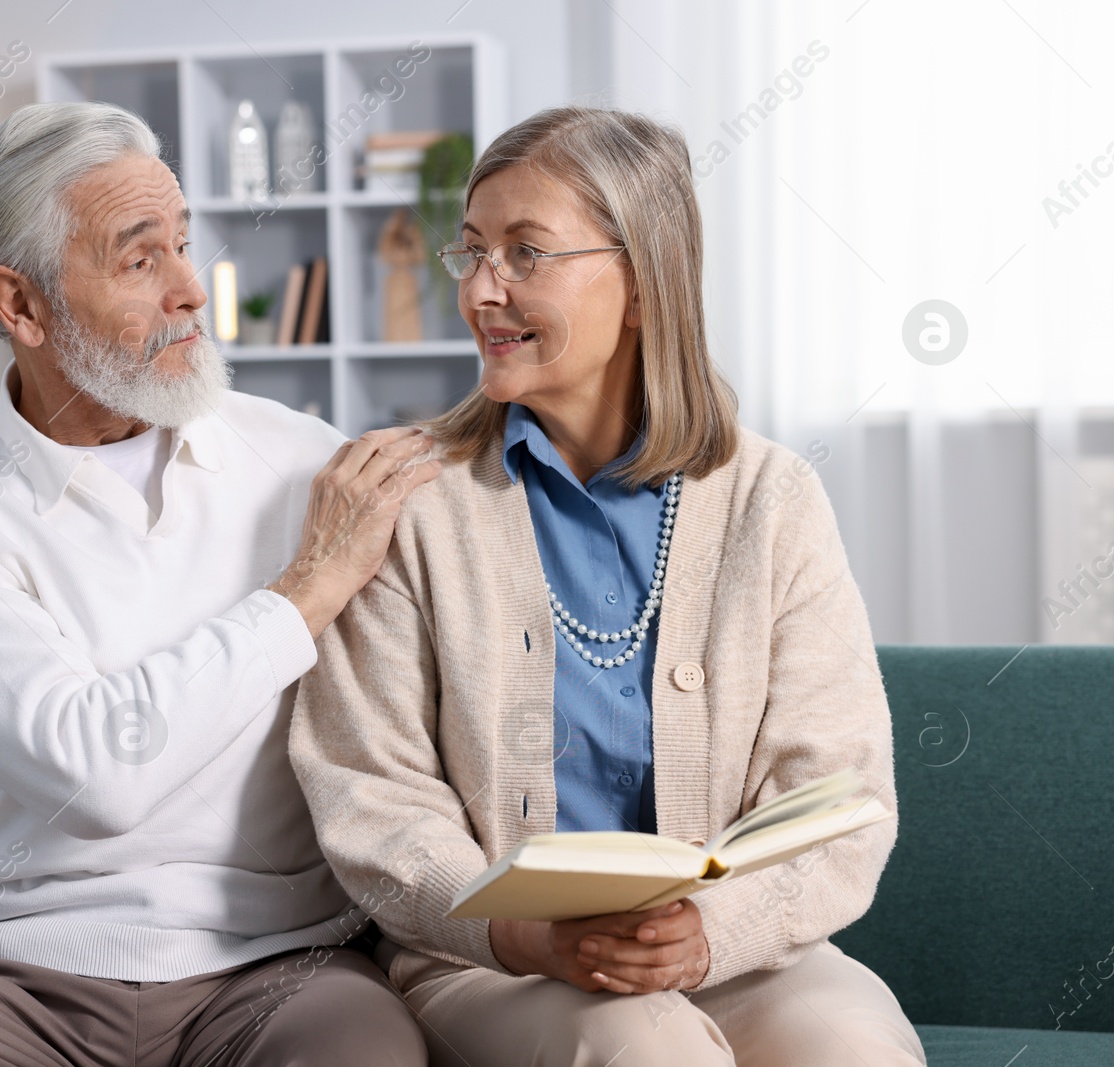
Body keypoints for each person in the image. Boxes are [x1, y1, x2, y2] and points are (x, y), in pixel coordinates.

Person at [289, 106, 927, 1065]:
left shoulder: (773, 498)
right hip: (491, 965)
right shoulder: (410, 500)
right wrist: (520, 933)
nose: (481, 292)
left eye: (525, 253)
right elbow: (370, 797)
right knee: (646, 1050)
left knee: (854, 1050)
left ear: (642, 286)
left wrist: (713, 928)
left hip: (746, 954)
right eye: (471, 253)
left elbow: (839, 789)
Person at [0, 101, 436, 1067]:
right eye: (141, 258)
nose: (193, 288)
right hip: (10, 968)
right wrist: (303, 592)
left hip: (276, 963)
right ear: (19, 304)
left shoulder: (303, 461)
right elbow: (97, 776)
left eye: (186, 245)